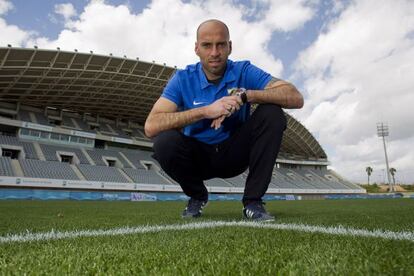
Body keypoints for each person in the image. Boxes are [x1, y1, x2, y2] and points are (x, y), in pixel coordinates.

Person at [145, 19, 303, 221]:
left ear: (230, 47)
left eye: (220, 44)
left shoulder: (243, 71)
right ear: (196, 49)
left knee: (271, 112)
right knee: (164, 141)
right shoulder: (182, 78)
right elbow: (151, 126)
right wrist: (205, 111)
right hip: (198, 158)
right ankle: (197, 195)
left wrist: (246, 96)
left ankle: (253, 202)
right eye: (206, 45)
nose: (214, 52)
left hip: (234, 153)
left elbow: (295, 97)